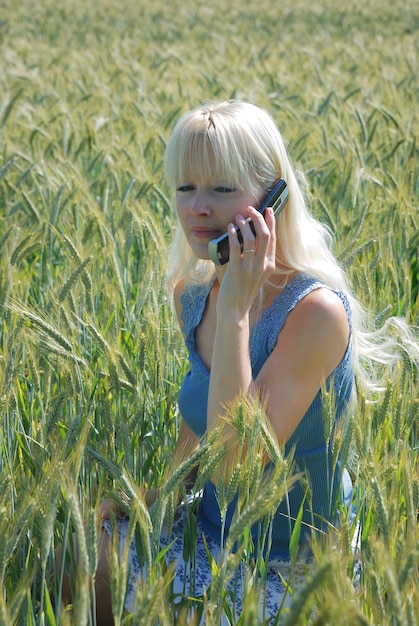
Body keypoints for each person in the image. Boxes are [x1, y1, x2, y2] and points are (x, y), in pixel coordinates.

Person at [63, 100, 417, 624]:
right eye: (186, 188)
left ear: (271, 197)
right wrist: (148, 501)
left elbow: (235, 471)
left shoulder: (314, 314)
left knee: (180, 611)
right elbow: (196, 437)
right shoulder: (192, 294)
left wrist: (234, 314)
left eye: (223, 190)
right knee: (79, 545)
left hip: (292, 565)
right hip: (209, 533)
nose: (197, 208)